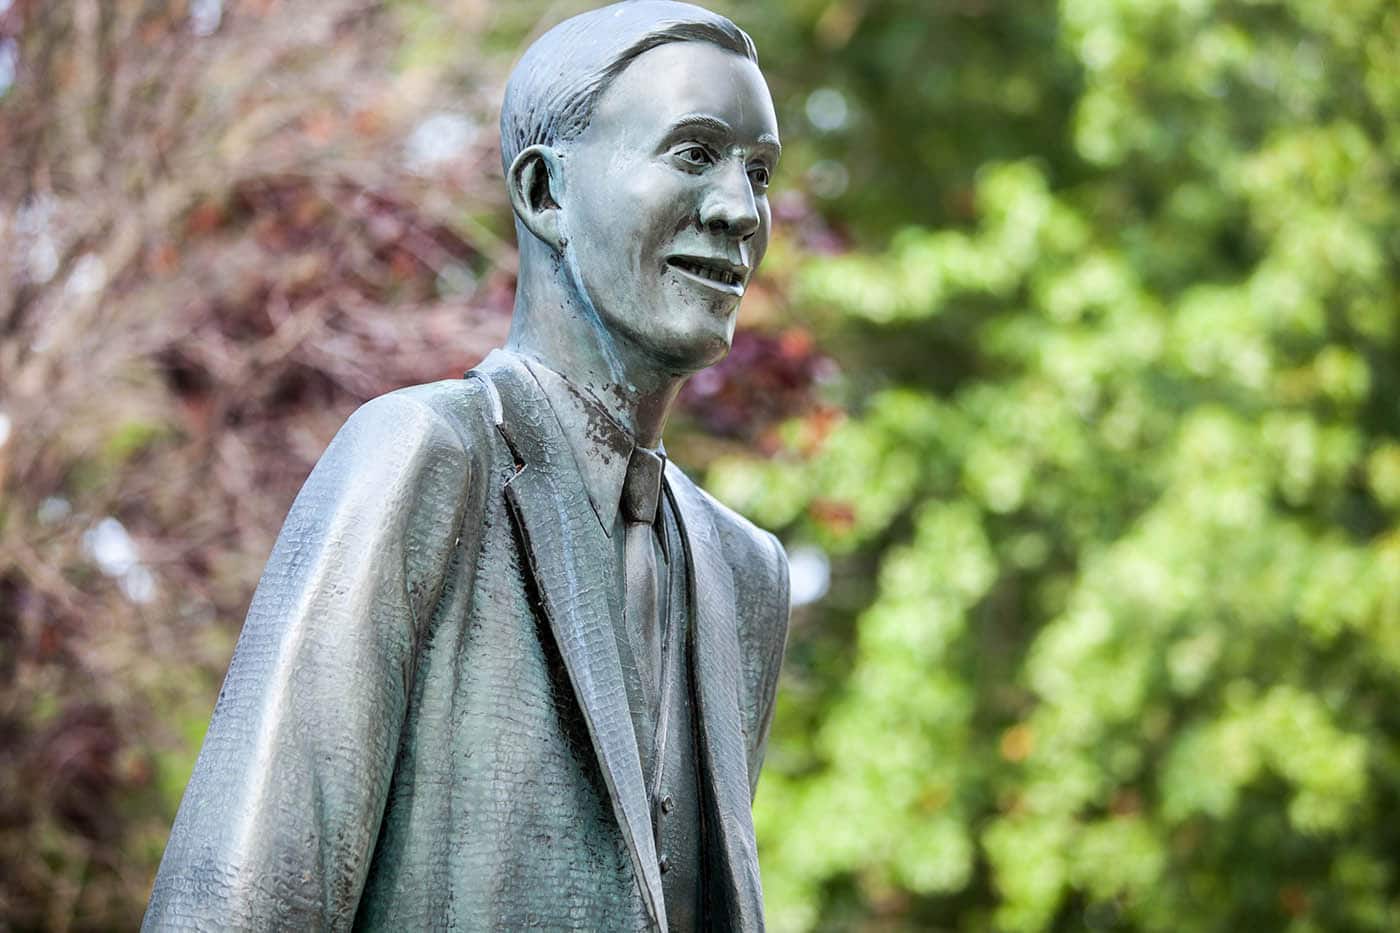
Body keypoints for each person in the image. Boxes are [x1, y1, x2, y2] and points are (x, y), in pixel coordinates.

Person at [143, 2, 789, 930]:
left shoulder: (746, 576)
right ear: (545, 192)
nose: (740, 209)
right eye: (694, 153)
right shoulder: (421, 459)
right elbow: (237, 903)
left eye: (758, 172)